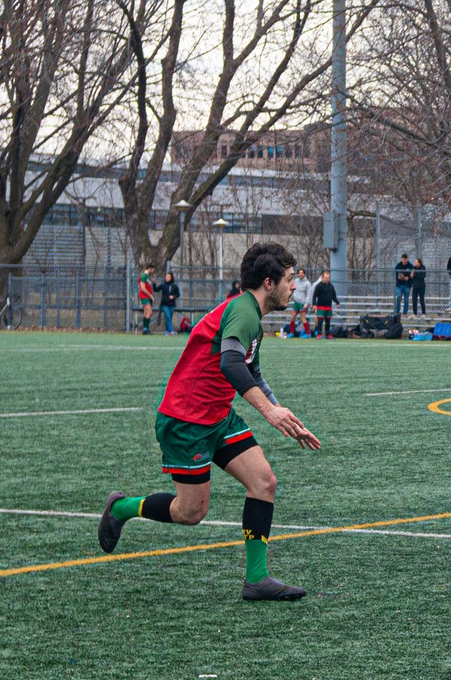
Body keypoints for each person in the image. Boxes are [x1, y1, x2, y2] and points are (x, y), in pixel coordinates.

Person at [97, 242, 320, 601]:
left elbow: (251, 370)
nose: (294, 286)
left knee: (264, 482)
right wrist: (268, 412)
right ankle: (121, 507)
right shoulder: (244, 312)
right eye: (290, 279)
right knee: (190, 512)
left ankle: (257, 579)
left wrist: (282, 410)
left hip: (217, 416)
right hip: (187, 420)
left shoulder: (251, 315)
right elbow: (230, 364)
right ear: (268, 282)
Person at [310, 270, 337, 338]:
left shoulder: (331, 286)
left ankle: (328, 334)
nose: (327, 279)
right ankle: (319, 334)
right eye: (326, 277)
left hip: (328, 307)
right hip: (321, 307)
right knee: (320, 320)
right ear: (322, 277)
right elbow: (314, 296)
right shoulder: (319, 286)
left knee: (328, 321)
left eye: (328, 277)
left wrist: (337, 302)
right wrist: (314, 305)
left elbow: (333, 296)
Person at [287, 270, 313, 336]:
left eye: (302, 273)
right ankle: (291, 333)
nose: (300, 274)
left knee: (302, 318)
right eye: (299, 273)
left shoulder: (307, 283)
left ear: (304, 274)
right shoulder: (295, 281)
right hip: (296, 302)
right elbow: (291, 288)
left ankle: (308, 333)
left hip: (303, 303)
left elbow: (309, 294)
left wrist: (306, 304)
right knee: (292, 317)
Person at [136, 267, 157, 334]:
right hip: (145, 297)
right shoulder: (143, 276)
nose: (153, 271)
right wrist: (150, 295)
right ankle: (145, 330)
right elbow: (142, 288)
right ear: (150, 268)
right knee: (149, 312)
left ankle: (146, 329)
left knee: (146, 313)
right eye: (153, 269)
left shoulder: (148, 277)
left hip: (148, 297)